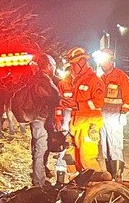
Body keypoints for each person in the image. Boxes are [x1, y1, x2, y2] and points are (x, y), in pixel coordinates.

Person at [59, 47, 104, 172]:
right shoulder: (76, 81)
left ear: (82, 62)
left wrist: (78, 105)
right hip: (76, 124)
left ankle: (97, 186)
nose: (72, 68)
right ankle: (75, 184)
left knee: (87, 158)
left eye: (73, 64)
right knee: (71, 156)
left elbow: (98, 102)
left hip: (89, 124)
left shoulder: (95, 81)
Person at [97, 50, 129, 180]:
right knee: (105, 147)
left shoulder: (121, 76)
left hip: (115, 115)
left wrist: (124, 110)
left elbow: (128, 96)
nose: (102, 64)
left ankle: (117, 175)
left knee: (115, 145)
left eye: (104, 61)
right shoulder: (101, 78)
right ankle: (109, 174)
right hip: (103, 115)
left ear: (111, 61)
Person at [27, 54, 61, 187]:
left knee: (40, 150)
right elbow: (48, 98)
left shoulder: (40, 79)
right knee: (40, 151)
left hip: (38, 119)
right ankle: (38, 183)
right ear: (48, 66)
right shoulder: (42, 80)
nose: (54, 68)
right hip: (41, 120)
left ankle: (39, 178)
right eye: (53, 65)